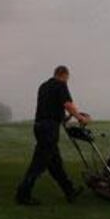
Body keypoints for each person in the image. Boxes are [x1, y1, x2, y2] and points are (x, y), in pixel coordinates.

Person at [15, 65, 91, 205]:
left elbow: (51, 108)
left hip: (40, 126)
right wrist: (80, 117)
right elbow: (68, 104)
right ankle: (23, 194)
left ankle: (70, 191)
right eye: (67, 78)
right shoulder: (60, 84)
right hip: (49, 129)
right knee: (39, 164)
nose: (67, 81)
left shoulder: (43, 86)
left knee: (55, 164)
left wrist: (66, 117)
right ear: (63, 75)